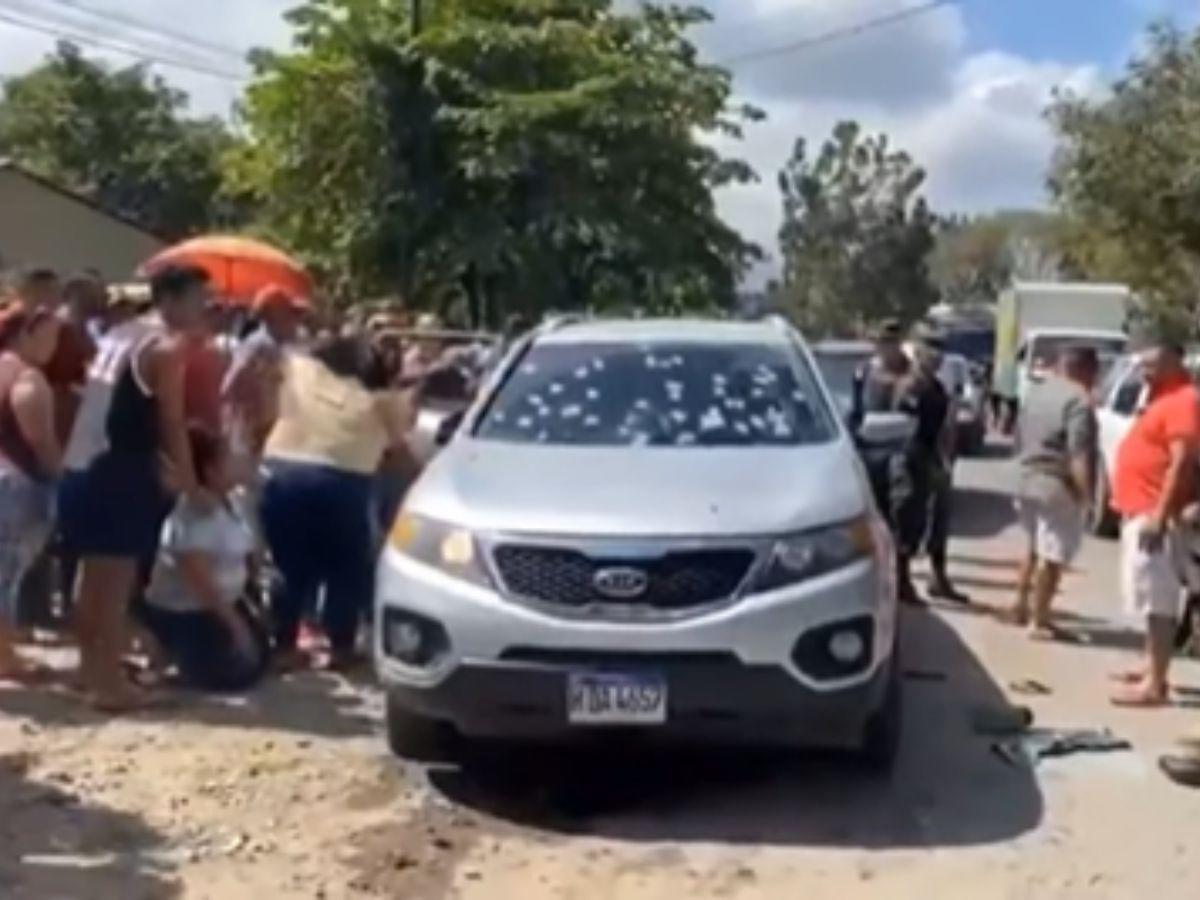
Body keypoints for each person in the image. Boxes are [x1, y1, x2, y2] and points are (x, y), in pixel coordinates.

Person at [60, 264, 210, 711]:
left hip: (82, 463)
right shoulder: (163, 348)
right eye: (198, 299)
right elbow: (170, 418)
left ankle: (90, 670)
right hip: (119, 470)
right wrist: (185, 474)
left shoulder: (118, 335)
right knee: (115, 581)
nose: (204, 308)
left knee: (91, 578)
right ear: (170, 299)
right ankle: (108, 685)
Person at [259, 333, 414, 670]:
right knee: (346, 565)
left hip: (282, 468)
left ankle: (283, 643)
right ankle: (339, 646)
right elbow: (399, 452)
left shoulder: (298, 367)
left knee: (288, 564)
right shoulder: (383, 400)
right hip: (345, 479)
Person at [134, 428, 268, 693]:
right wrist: (236, 626)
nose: (240, 460)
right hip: (190, 610)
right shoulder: (194, 515)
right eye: (230, 457)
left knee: (256, 663)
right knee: (231, 676)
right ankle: (160, 644)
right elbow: (201, 584)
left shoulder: (236, 502)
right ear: (211, 470)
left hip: (227, 601)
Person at [1109, 340, 1200, 707]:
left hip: (1154, 515)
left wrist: (1160, 516)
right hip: (1142, 509)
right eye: (1142, 365)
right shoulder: (1159, 400)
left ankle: (1156, 684)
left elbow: (1181, 462)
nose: (1144, 372)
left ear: (1175, 363)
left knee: (1158, 601)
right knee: (1148, 599)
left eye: (1153, 364)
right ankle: (1151, 665)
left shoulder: (1182, 401)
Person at [1011, 346, 1100, 638]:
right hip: (1055, 482)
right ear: (1086, 370)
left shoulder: (1037, 394)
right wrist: (1087, 497)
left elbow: (1018, 436)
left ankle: (1020, 605)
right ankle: (1040, 620)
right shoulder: (1079, 401)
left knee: (1031, 546)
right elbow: (1079, 453)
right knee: (1053, 553)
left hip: (1025, 477)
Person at [0, 307, 62, 681]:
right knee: (8, 572)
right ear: (27, 333)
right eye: (49, 336)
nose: (53, 346)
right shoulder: (28, 379)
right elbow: (42, 443)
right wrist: (62, 480)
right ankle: (5, 655)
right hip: (17, 484)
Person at [851, 320, 923, 603]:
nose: (886, 348)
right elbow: (854, 409)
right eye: (882, 342)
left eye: (891, 342)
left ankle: (902, 577)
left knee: (903, 516)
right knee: (872, 519)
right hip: (869, 451)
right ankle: (876, 580)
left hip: (901, 452)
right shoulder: (864, 371)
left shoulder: (914, 375)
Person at [893, 332, 960, 606]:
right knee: (911, 520)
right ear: (918, 354)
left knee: (939, 521)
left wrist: (945, 457)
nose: (936, 358)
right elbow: (903, 427)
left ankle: (938, 578)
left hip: (935, 458)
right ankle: (901, 581)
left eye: (939, 354)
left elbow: (944, 425)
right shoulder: (910, 386)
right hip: (912, 459)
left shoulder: (936, 387)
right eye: (930, 353)